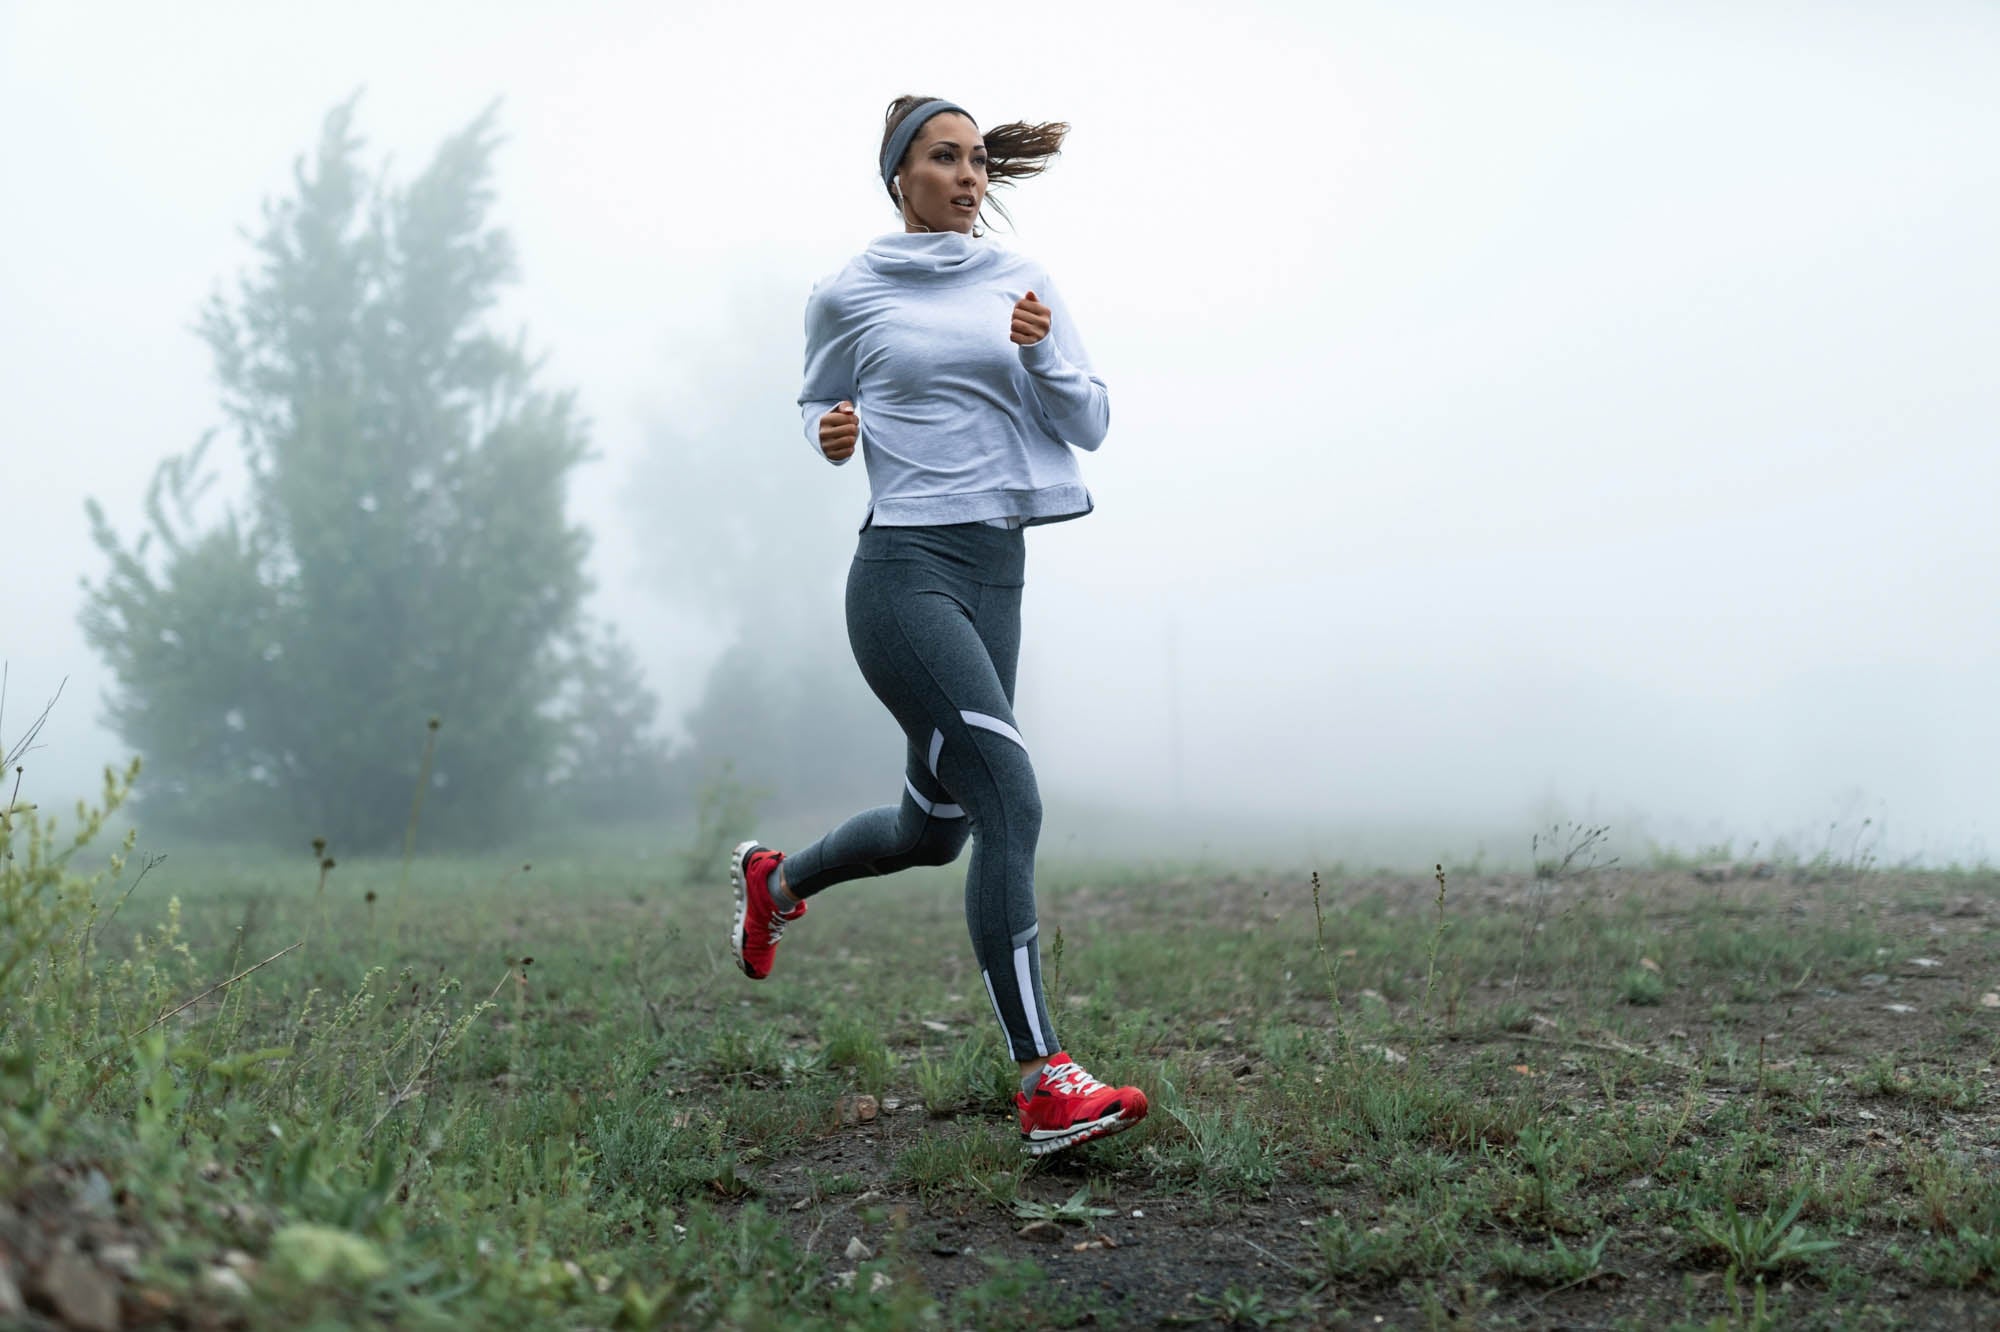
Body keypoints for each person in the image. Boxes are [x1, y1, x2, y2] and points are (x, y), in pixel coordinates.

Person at [727, 94, 1148, 1158]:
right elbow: (827, 410)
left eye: (975, 163)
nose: (967, 178)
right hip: (902, 576)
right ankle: (1044, 1081)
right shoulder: (846, 291)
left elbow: (1088, 421)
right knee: (1008, 793)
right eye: (943, 158)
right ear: (898, 175)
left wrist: (1043, 353)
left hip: (995, 574)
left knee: (936, 830)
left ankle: (775, 883)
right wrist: (834, 435)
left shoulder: (1023, 281)